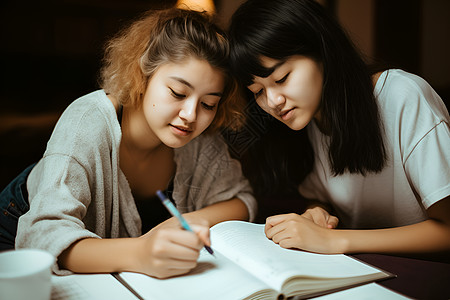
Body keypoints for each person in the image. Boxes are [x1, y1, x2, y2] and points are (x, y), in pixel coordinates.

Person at [0, 7, 257, 278]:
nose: (191, 115)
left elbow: (240, 200)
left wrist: (188, 222)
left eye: (208, 104)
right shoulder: (87, 121)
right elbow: (44, 237)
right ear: (143, 75)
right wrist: (141, 253)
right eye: (178, 93)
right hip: (16, 243)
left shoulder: (198, 137)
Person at [228, 0, 450, 257]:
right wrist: (318, 212)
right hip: (369, 268)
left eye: (282, 79)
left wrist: (335, 241)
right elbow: (323, 194)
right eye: (258, 91)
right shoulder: (306, 120)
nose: (273, 102)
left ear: (321, 52)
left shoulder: (402, 96)